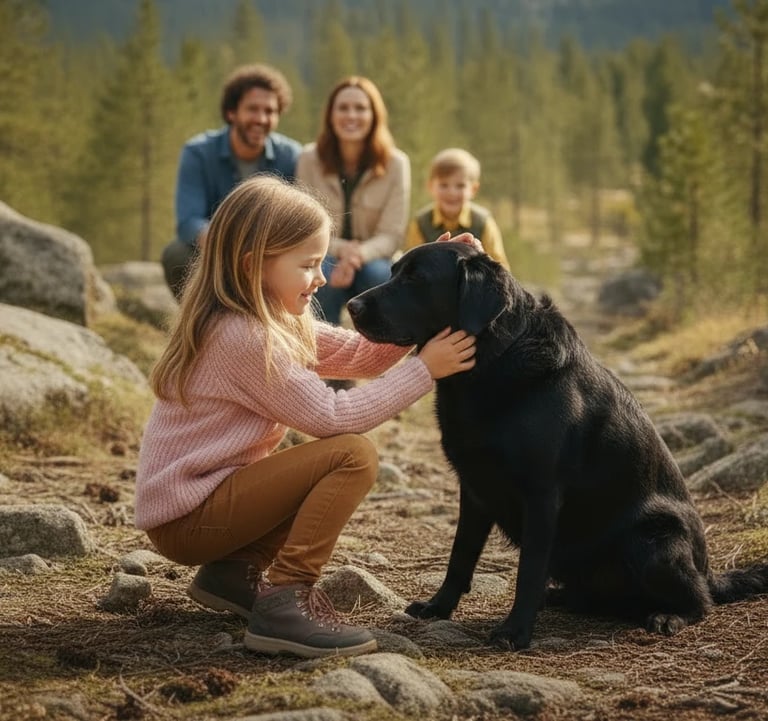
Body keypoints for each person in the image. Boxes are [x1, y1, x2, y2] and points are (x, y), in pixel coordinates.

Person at [135, 175, 477, 659]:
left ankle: (233, 574)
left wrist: (428, 285)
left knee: (322, 460)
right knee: (351, 456)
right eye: (309, 265)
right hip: (188, 517)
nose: (320, 278)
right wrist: (425, 370)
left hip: (206, 500)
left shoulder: (271, 319)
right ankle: (286, 601)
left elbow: (363, 355)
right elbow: (332, 416)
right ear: (254, 265)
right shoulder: (243, 338)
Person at [161, 63, 302, 298]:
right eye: (252, 109)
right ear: (231, 112)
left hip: (270, 251)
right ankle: (202, 324)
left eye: (270, 111)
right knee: (177, 254)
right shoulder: (198, 153)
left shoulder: (290, 156)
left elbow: (298, 220)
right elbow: (188, 222)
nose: (261, 118)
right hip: (215, 248)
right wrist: (229, 245)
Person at [296, 76, 410, 326]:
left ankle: (381, 352)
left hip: (374, 259)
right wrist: (340, 251)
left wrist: (357, 255)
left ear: (374, 115)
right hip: (323, 254)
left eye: (360, 108)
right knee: (318, 275)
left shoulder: (396, 163)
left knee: (380, 275)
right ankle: (319, 354)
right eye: (343, 108)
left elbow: (392, 235)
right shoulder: (308, 159)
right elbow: (304, 228)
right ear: (330, 115)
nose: (351, 115)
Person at [405, 147, 510, 269]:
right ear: (430, 186)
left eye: (460, 186)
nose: (452, 193)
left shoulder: (483, 223)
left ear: (473, 189)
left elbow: (501, 268)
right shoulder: (420, 224)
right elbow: (411, 266)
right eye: (443, 185)